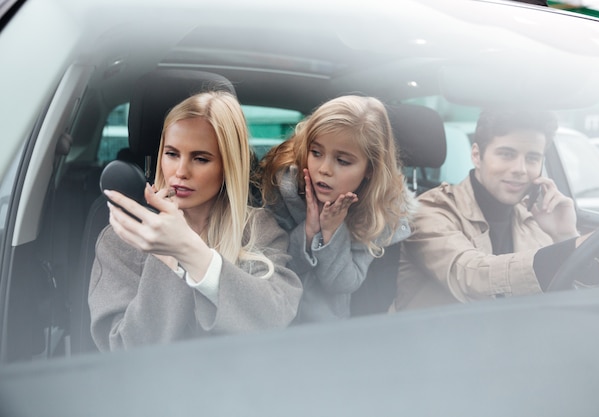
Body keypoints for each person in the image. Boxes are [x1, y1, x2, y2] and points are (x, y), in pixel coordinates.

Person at [89, 91, 302, 351]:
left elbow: (274, 320)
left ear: (228, 166)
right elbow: (123, 349)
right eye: (171, 154)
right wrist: (165, 259)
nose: (180, 172)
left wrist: (191, 253)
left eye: (200, 158)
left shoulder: (259, 230)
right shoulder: (122, 237)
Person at [393, 108, 599, 310]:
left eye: (533, 158)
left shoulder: (534, 217)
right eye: (506, 154)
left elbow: (584, 293)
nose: (521, 169)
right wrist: (598, 236)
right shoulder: (429, 211)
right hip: (433, 350)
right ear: (476, 155)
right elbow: (473, 277)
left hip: (512, 346)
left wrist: (565, 234)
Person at [256, 95, 415, 323]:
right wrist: (308, 233)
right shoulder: (277, 192)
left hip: (328, 335)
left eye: (343, 161)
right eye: (316, 153)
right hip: (275, 328)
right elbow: (271, 272)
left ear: (370, 169)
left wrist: (331, 233)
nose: (324, 169)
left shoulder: (377, 216)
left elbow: (343, 284)